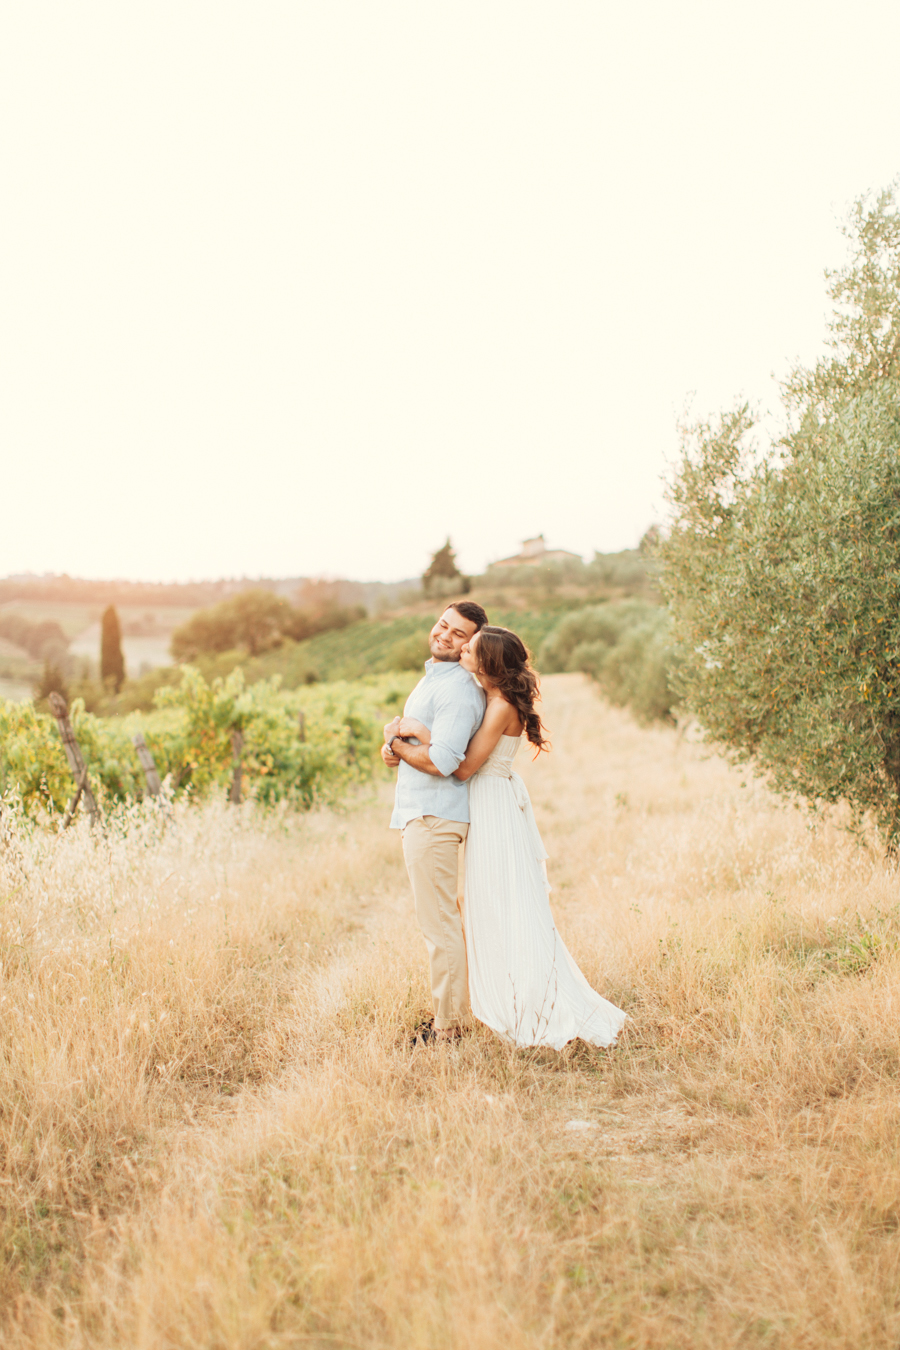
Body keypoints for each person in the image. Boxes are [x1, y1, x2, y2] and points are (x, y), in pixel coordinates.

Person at [393, 625, 626, 1051]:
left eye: (470, 650)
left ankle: (527, 1002)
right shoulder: (490, 697)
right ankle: (502, 992)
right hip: (489, 801)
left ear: (488, 663)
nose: (462, 651)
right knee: (491, 902)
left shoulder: (500, 705)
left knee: (504, 901)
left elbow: (463, 768)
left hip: (493, 804)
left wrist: (421, 736)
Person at [381, 601, 488, 1044]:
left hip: (434, 816)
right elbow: (419, 744)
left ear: (471, 645)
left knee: (438, 923)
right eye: (443, 625)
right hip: (422, 812)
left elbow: (444, 759)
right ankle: (451, 1015)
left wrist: (400, 745)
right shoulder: (434, 680)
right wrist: (395, 747)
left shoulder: (459, 689)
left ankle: (449, 1027)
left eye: (458, 633)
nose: (445, 635)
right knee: (441, 920)